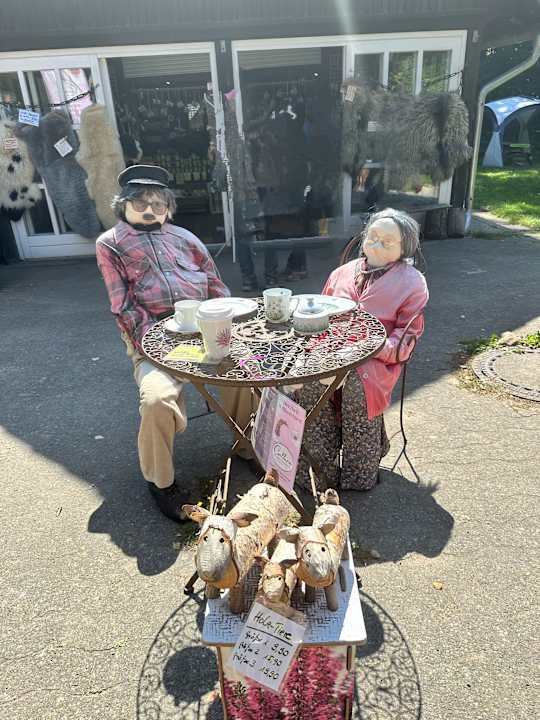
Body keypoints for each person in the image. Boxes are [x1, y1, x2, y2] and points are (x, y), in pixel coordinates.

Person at [96, 165, 234, 522]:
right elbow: (124, 307)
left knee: (251, 378)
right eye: (140, 202)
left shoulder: (187, 238)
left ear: (168, 208)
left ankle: (249, 447)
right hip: (152, 339)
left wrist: (228, 326)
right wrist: (159, 347)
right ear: (124, 204)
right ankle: (161, 483)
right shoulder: (110, 243)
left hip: (204, 332)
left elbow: (217, 287)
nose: (150, 209)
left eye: (158, 203)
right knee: (156, 399)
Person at [295, 208, 429, 491]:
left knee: (357, 386)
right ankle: (318, 471)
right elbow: (320, 316)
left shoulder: (412, 282)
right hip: (332, 351)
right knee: (309, 381)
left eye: (388, 242)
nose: (377, 245)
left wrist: (369, 347)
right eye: (373, 237)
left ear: (404, 247)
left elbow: (406, 339)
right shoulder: (341, 273)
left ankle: (358, 475)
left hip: (376, 360)